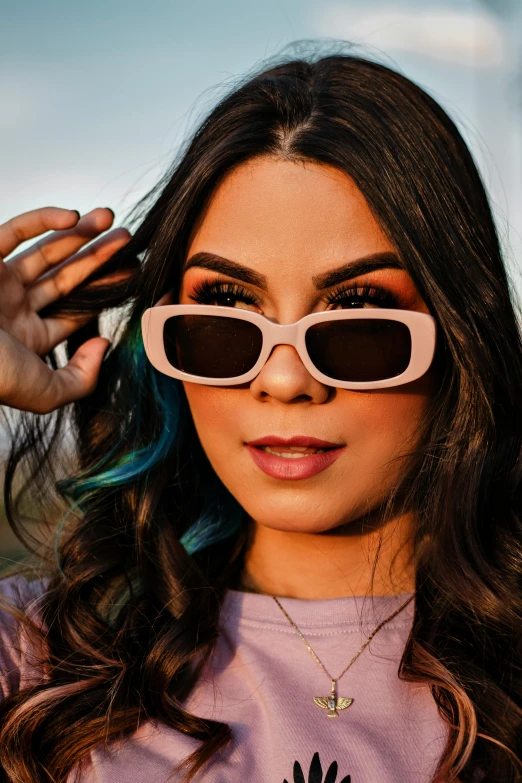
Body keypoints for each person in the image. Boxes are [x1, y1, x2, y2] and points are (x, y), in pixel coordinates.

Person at [0, 49, 520, 783]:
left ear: (461, 343)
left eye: (360, 317)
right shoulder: (43, 660)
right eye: (225, 313)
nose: (283, 379)